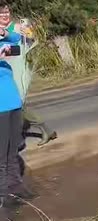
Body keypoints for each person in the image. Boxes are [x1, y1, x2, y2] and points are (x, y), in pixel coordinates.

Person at [1, 5, 57, 147]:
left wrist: (28, 32)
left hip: (17, 70)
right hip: (4, 72)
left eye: (6, 12)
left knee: (17, 105)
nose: (5, 15)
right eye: (1, 13)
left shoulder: (18, 27)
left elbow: (26, 45)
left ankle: (21, 138)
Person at [0, 24, 28, 209]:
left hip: (13, 102)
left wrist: (4, 33)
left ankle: (16, 188)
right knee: (1, 154)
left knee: (13, 152)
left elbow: (17, 42)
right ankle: (3, 195)